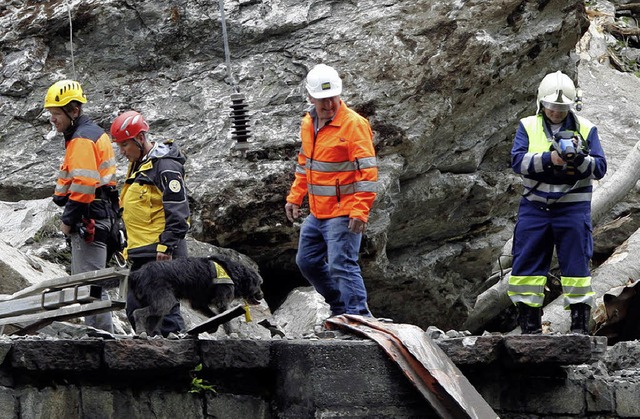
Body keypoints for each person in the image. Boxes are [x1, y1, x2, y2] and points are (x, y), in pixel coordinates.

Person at [508, 71, 607, 335]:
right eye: (552, 106)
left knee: (576, 266)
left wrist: (579, 160)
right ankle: (529, 326)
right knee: (527, 265)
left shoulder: (586, 129)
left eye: (561, 108)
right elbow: (517, 161)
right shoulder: (527, 126)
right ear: (542, 103)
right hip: (535, 207)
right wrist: (550, 159)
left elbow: (600, 168)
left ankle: (578, 325)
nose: (556, 112)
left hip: (572, 209)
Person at [284, 64, 378, 317]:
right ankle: (339, 308)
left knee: (342, 264)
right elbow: (305, 164)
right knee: (307, 262)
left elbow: (367, 174)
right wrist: (295, 196)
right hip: (318, 212)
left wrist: (360, 211)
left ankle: (359, 317)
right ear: (311, 97)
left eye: (333, 98)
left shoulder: (354, 125)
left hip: (344, 211)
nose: (329, 104)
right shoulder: (308, 123)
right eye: (323, 100)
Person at [44, 79, 119, 333]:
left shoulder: (81, 139)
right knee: (89, 283)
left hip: (91, 217)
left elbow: (85, 185)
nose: (53, 119)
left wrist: (67, 220)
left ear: (73, 111)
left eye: (56, 114)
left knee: (90, 284)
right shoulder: (88, 134)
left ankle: (100, 339)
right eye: (51, 114)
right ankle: (97, 336)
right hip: (101, 215)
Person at [110, 110, 190, 336]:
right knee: (136, 308)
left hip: (160, 251)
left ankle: (176, 355)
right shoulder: (139, 164)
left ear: (140, 139)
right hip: (141, 251)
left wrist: (167, 245)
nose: (122, 152)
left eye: (125, 145)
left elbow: (178, 209)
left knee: (163, 308)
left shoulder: (165, 166)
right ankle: (149, 355)